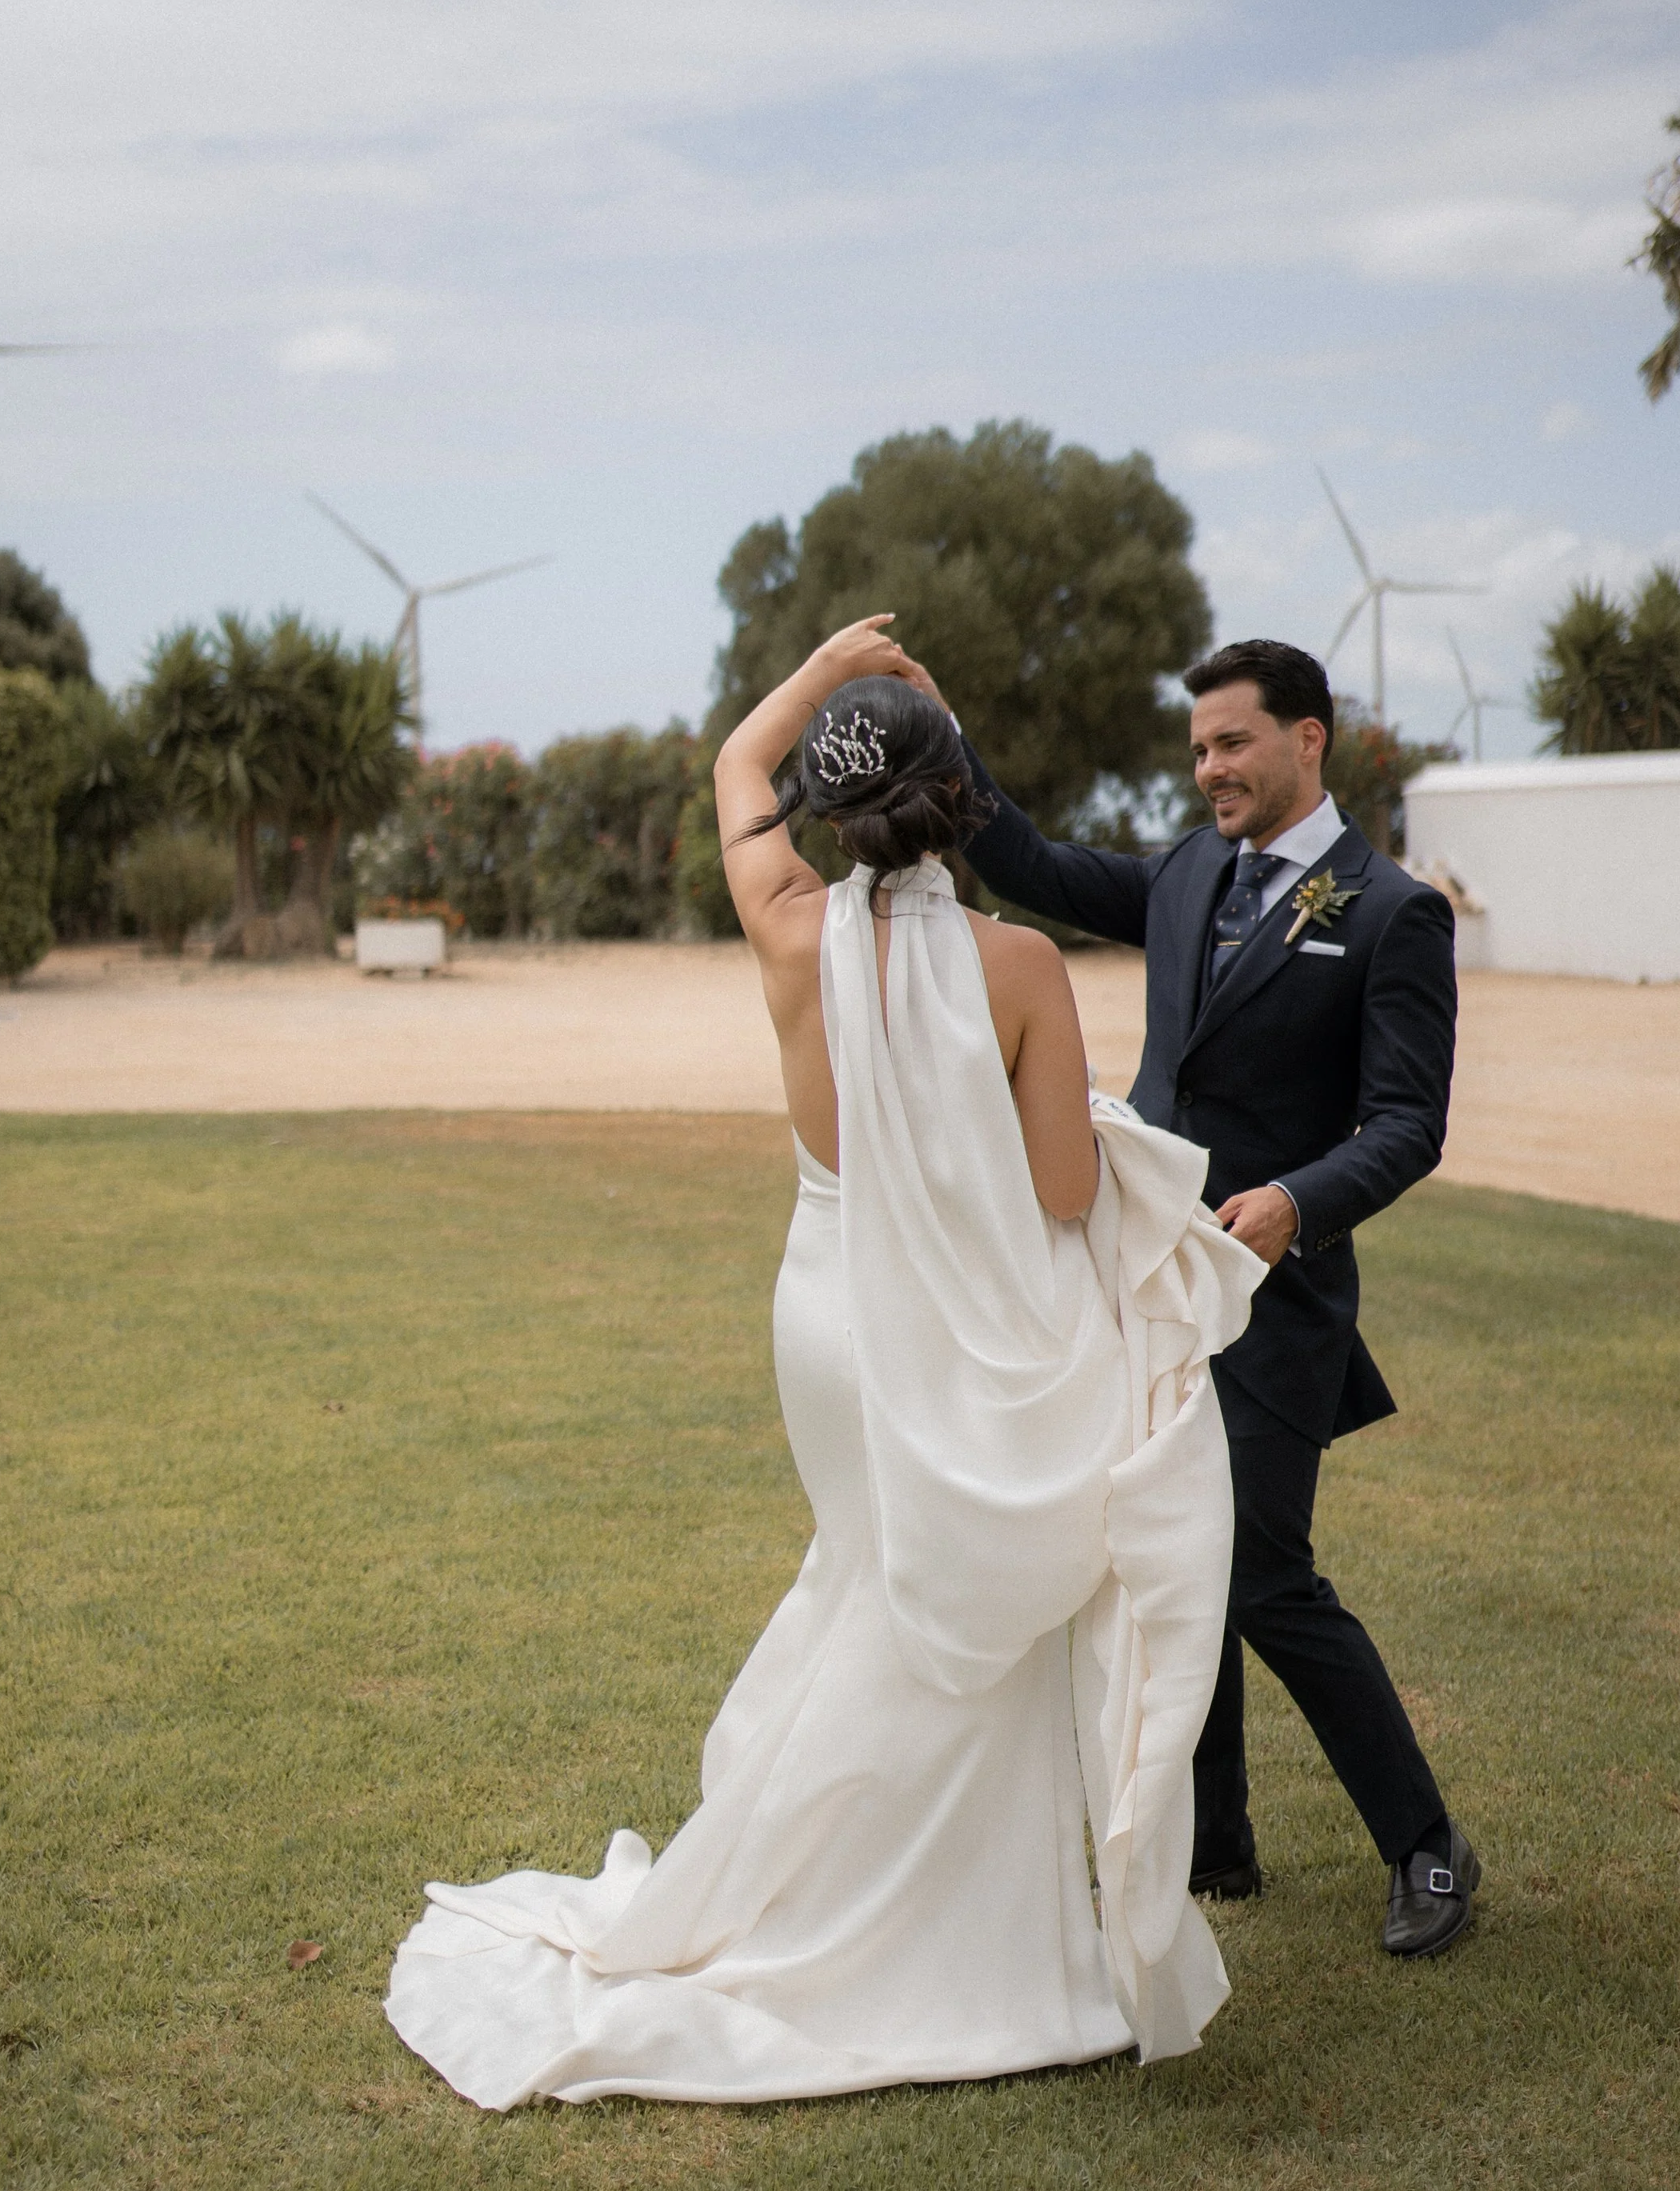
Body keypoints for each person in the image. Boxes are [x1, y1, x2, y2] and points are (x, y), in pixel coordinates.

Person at [385, 617, 1263, 2109]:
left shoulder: (785, 920)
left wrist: (827, 661)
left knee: (870, 1575)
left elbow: (738, 762)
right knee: (964, 1605)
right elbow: (1061, 1193)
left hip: (826, 1315)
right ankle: (950, 1927)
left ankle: (814, 1876)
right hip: (960, 1317)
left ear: (834, 815)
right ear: (960, 797)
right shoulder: (1020, 966)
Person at [925, 635, 1478, 1957]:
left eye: (1231, 742)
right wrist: (945, 744)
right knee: (1175, 1550)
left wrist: (1296, 1203)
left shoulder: (1393, 914)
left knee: (1263, 1569)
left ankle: (1429, 1847)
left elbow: (1408, 1124)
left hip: (1277, 1305)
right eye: (1197, 749)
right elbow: (1033, 865)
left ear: (1307, 739)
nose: (1209, 768)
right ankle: (1217, 1844)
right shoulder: (1184, 876)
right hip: (1148, 1289)